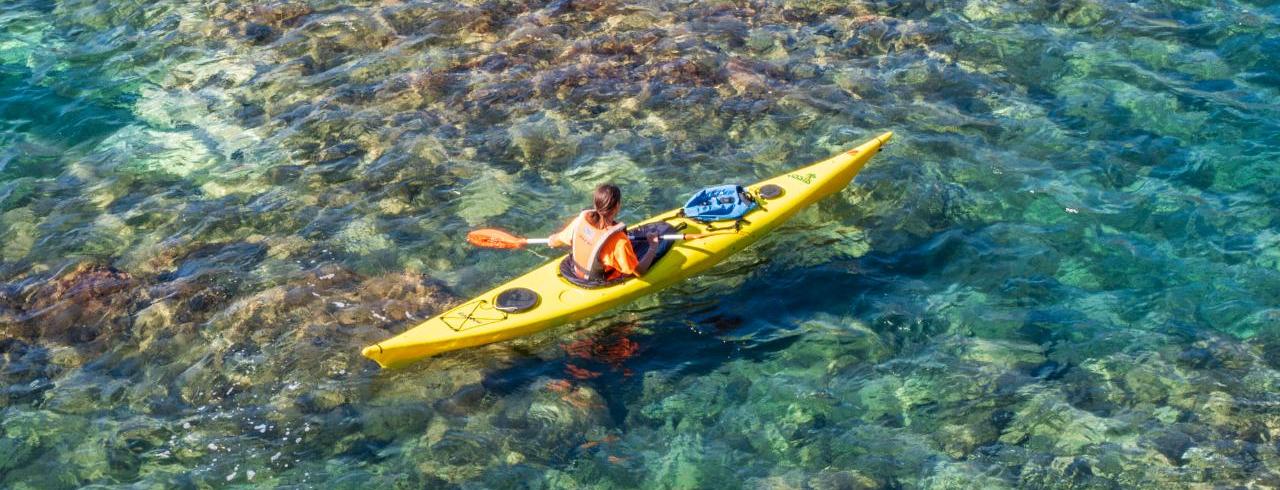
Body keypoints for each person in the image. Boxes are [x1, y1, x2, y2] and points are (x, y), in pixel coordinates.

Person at [548, 184, 661, 283]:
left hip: (576, 273)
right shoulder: (619, 241)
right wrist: (653, 246)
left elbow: (556, 240)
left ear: (596, 204)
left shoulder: (580, 221)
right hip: (597, 282)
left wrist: (552, 240)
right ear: (617, 206)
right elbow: (639, 272)